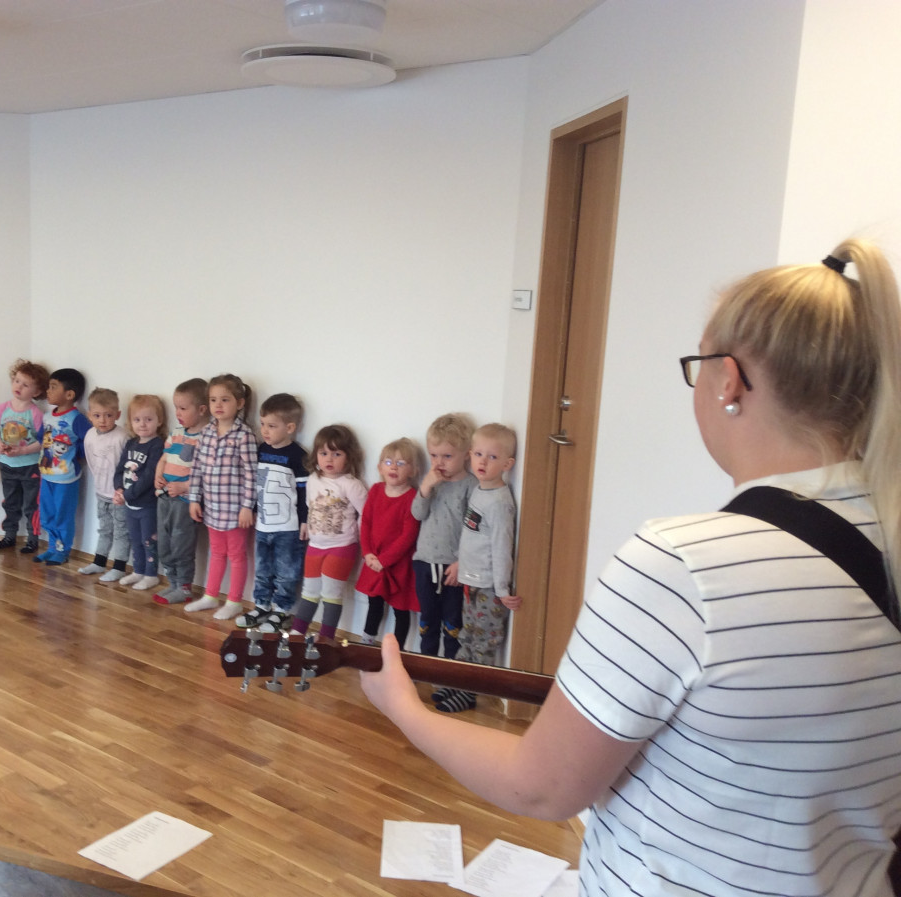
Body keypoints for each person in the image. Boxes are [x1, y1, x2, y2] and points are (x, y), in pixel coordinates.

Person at [361, 240, 901, 897]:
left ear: (729, 382)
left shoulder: (684, 564)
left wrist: (404, 707)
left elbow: (541, 786)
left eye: (697, 366)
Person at [433, 423, 522, 713]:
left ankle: (470, 693)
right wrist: (461, 564)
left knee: (483, 642)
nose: (483, 461)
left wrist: (502, 589)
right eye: (479, 454)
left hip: (488, 587)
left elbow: (501, 547)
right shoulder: (479, 491)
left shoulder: (500, 502)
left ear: (507, 464)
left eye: (492, 457)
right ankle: (459, 682)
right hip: (471, 581)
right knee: (467, 636)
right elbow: (472, 536)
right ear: (470, 454)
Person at [185, 374, 257, 620]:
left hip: (236, 510)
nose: (218, 405)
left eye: (225, 400)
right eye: (213, 399)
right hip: (212, 508)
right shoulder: (206, 433)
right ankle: (210, 595)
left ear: (240, 403)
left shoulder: (244, 436)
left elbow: (252, 474)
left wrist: (247, 506)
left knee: (236, 555)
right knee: (216, 552)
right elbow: (196, 469)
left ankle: (234, 601)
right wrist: (194, 499)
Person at [238, 392, 309, 632]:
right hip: (263, 525)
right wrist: (252, 509)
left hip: (288, 528)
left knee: (287, 571)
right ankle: (261, 605)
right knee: (263, 569)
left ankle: (282, 610)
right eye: (263, 424)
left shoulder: (298, 457)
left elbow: (304, 492)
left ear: (290, 428)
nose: (265, 431)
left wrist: (305, 520)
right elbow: (256, 484)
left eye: (271, 426)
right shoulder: (260, 450)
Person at [290, 424, 368, 639]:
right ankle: (297, 633)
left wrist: (363, 542)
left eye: (336, 454)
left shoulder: (351, 484)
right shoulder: (313, 479)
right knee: (309, 592)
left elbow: (367, 514)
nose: (329, 459)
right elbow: (310, 506)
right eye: (323, 453)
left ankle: (326, 638)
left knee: (331, 594)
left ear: (348, 456)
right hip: (315, 545)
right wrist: (305, 524)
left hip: (342, 547)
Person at [412, 413, 476, 659]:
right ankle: (426, 666)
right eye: (434, 455)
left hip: (453, 568)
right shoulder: (431, 482)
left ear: (466, 454)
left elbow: (474, 531)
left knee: (453, 624)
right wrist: (425, 488)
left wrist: (462, 562)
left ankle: (450, 670)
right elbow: (417, 514)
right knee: (427, 622)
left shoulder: (471, 486)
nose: (439, 463)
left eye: (447, 456)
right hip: (425, 562)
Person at [358, 438, 422, 648]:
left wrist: (385, 560)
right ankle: (366, 645)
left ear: (413, 470)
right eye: (388, 462)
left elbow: (408, 536)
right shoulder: (376, 491)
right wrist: (368, 553)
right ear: (380, 468)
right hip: (374, 561)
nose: (394, 467)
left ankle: (397, 652)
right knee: (374, 603)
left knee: (401, 610)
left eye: (401, 463)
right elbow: (366, 523)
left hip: (399, 565)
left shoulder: (412, 497)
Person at [151, 378, 208, 604]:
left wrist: (184, 486)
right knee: (164, 543)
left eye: (183, 408)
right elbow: (164, 459)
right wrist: (158, 475)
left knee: (181, 544)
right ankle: (173, 583)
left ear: (202, 410)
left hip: (185, 502)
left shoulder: (206, 437)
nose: (178, 413)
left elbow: (206, 473)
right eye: (176, 407)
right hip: (164, 497)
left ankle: (184, 587)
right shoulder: (176, 432)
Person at [0, 358, 49, 553]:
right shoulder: (2, 409)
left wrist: (22, 450)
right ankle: (9, 536)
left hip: (30, 466)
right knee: (10, 502)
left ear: (36, 392)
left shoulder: (36, 414)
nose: (19, 386)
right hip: (7, 465)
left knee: (31, 504)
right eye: (17, 381)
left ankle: (32, 538)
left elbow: (42, 441)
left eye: (25, 385)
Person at [35, 367, 90, 566]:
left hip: (66, 478)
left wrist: (78, 456)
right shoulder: (47, 416)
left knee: (63, 515)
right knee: (47, 514)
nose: (48, 391)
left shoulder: (76, 419)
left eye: (53, 387)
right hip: (47, 475)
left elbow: (89, 441)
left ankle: (62, 550)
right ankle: (52, 548)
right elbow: (41, 438)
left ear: (69, 394)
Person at [114, 394, 166, 591]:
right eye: (137, 419)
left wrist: (126, 495)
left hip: (147, 505)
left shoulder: (158, 445)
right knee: (135, 539)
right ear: (130, 421)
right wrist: (119, 488)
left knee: (148, 540)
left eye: (148, 419)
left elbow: (149, 476)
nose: (142, 424)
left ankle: (151, 574)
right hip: (130, 504)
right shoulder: (131, 444)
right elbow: (120, 469)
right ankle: (138, 570)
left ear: (159, 421)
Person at [78, 387, 131, 581]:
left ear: (117, 415)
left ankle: (119, 566)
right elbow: (91, 461)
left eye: (108, 415)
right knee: (105, 528)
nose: (103, 420)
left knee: (121, 531)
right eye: (97, 415)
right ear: (90, 415)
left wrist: (123, 491)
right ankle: (99, 562)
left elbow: (129, 466)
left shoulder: (122, 437)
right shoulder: (90, 436)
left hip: (119, 495)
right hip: (101, 492)